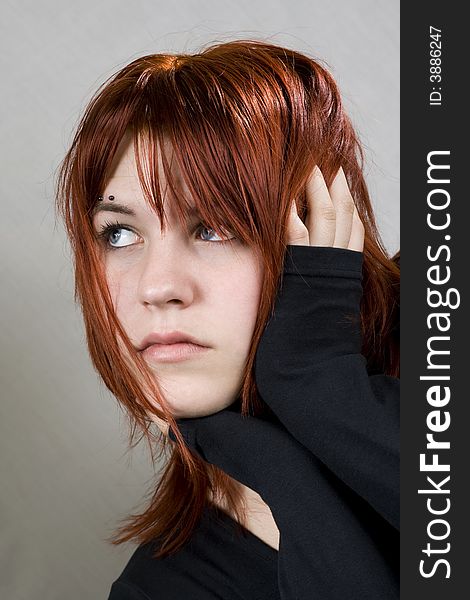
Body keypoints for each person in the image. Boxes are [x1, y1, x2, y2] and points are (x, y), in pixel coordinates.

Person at [55, 39, 400, 599]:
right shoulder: (164, 590)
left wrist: (321, 389)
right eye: (118, 234)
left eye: (212, 227)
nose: (158, 287)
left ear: (317, 225)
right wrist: (286, 477)